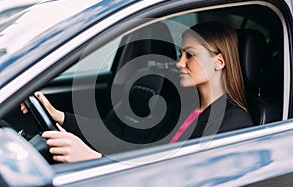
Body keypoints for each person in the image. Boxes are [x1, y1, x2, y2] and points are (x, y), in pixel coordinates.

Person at [21, 21, 253, 163]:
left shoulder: (233, 123)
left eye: (189, 55)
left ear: (219, 62)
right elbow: (129, 139)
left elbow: (174, 177)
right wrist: (59, 116)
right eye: (179, 54)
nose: (179, 63)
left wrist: (95, 161)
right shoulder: (182, 107)